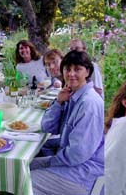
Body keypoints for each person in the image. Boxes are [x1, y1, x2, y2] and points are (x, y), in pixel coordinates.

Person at [32, 50, 104, 195]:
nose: (71, 74)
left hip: (85, 174)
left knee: (24, 180)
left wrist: (51, 162)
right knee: (23, 167)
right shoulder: (72, 95)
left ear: (87, 72)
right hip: (71, 163)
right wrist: (59, 102)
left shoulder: (89, 103)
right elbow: (47, 127)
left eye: (77, 69)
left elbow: (78, 153)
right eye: (67, 69)